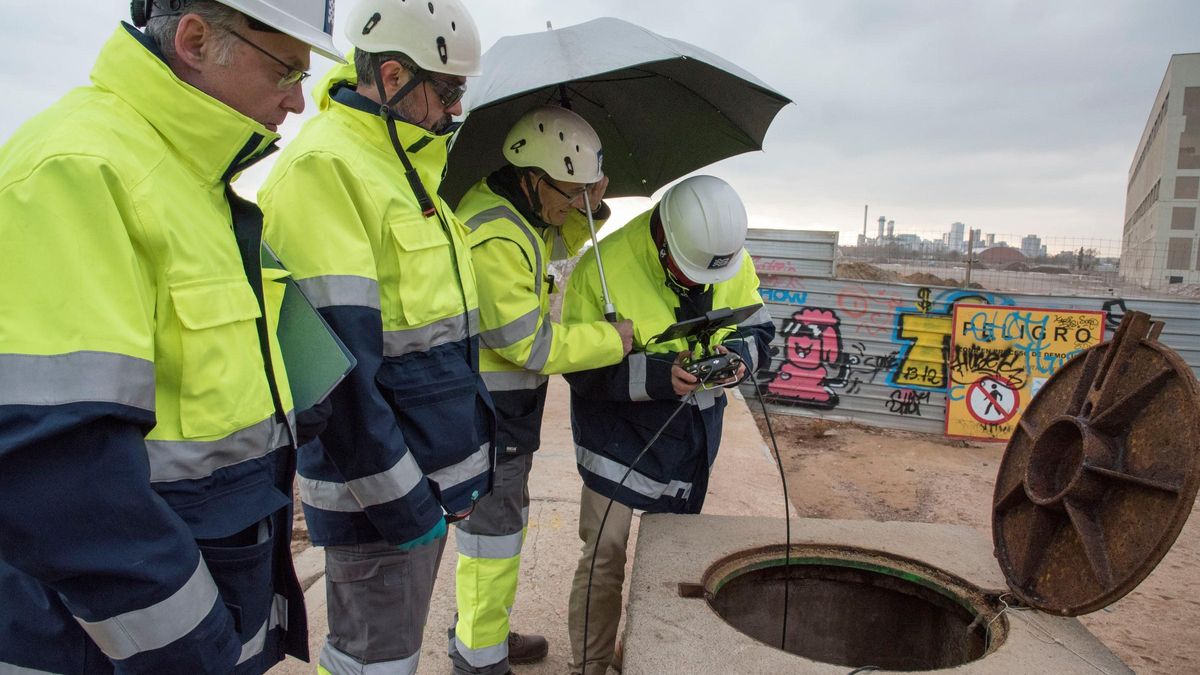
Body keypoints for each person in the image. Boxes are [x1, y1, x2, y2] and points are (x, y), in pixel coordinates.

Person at [0, 1, 342, 673]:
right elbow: (62, 474)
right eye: (286, 72)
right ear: (194, 40)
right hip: (120, 648)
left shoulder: (193, 185)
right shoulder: (77, 171)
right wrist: (195, 648)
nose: (300, 103)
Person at [257, 1, 495, 673]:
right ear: (391, 76)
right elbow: (336, 381)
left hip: (420, 489)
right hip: (383, 503)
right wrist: (406, 506)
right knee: (374, 661)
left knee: (392, 654)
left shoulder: (403, 168)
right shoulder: (327, 171)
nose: (453, 110)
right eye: (446, 90)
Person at [561, 175, 776, 675]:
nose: (700, 284)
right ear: (663, 237)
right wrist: (658, 376)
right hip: (617, 440)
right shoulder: (604, 269)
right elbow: (578, 366)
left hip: (691, 440)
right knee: (603, 558)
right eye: (689, 270)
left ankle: (640, 654)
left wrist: (742, 355)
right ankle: (590, 666)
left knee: (672, 557)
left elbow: (758, 326)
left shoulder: (727, 257)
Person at [452, 105, 635, 674]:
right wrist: (611, 341)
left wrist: (591, 202)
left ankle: (482, 633)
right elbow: (526, 345)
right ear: (532, 177)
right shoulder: (495, 233)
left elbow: (558, 238)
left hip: (507, 412)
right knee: (493, 542)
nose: (571, 206)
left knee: (502, 536)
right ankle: (479, 660)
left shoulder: (520, 215)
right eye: (567, 192)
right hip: (489, 414)